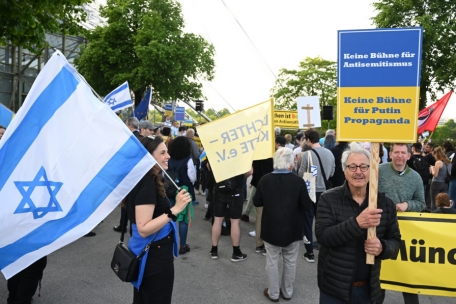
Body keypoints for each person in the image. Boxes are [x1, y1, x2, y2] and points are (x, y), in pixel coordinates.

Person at [316, 142, 401, 304]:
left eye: (363, 167)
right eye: (352, 167)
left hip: (369, 290)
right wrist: (357, 223)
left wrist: (383, 247)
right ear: (344, 170)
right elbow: (323, 237)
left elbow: (396, 243)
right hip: (334, 289)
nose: (358, 172)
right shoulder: (328, 199)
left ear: (371, 170)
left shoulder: (385, 204)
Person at [126, 135, 192, 303]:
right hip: (154, 253)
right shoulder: (146, 182)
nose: (168, 156)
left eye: (167, 152)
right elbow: (143, 228)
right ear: (149, 156)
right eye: (162, 153)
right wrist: (175, 209)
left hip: (153, 251)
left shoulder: (150, 178)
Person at [253, 148, 312, 302]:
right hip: (292, 228)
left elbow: (257, 201)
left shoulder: (265, 179)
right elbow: (306, 206)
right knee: (290, 261)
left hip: (270, 227)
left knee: (272, 261)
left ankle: (273, 293)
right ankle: (287, 292)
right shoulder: (298, 181)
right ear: (291, 164)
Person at [378, 143, 424, 303]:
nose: (399, 155)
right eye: (396, 152)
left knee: (406, 278)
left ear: (409, 156)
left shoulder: (416, 177)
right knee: (378, 277)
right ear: (390, 154)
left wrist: (407, 205)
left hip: (406, 233)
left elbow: (421, 203)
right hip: (380, 230)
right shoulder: (378, 171)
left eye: (403, 152)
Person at [298, 128, 335, 263]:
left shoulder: (307, 154)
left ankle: (309, 253)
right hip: (325, 191)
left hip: (310, 190)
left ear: (308, 140)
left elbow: (301, 174)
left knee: (308, 221)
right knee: (323, 221)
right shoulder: (330, 153)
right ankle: (323, 247)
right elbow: (331, 173)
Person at [210, 169, 253, 262]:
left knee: (217, 220)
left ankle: (214, 250)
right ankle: (236, 252)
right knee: (235, 221)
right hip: (236, 188)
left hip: (219, 187)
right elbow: (250, 171)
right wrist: (240, 176)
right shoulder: (241, 154)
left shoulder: (215, 153)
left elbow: (209, 166)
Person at [167, 137, 196, 254]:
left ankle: (168, 242)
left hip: (170, 191)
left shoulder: (169, 158)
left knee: (169, 217)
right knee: (183, 220)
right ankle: (182, 245)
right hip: (184, 191)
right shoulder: (188, 160)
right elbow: (192, 177)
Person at [113, 117, 143, 233]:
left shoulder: (129, 139)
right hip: (139, 175)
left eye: (126, 125)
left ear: (130, 125)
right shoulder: (142, 139)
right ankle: (131, 226)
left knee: (126, 202)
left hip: (128, 175)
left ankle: (123, 224)